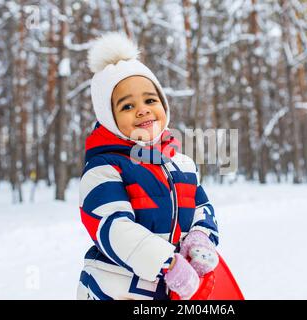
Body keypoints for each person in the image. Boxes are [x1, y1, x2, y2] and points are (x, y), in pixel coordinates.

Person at [76, 32, 219, 300]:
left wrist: (201, 237)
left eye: (150, 100)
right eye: (127, 105)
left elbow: (202, 207)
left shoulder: (182, 165)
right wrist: (168, 264)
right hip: (116, 289)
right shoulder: (104, 168)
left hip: (169, 291)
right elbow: (113, 226)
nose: (142, 110)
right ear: (109, 117)